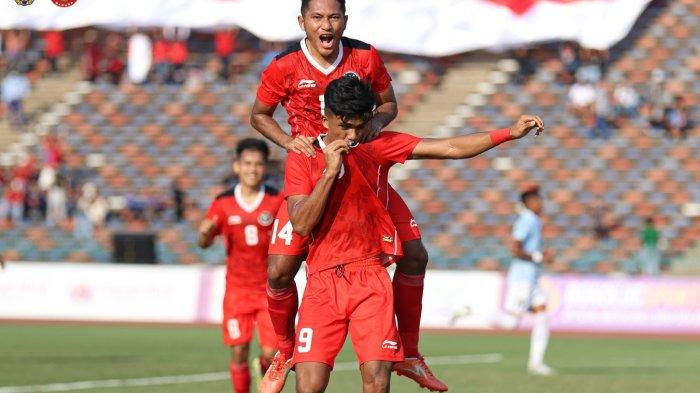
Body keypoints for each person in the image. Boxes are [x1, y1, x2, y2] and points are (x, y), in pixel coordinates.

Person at [283, 75, 544, 392]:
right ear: (326, 118)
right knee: (308, 387)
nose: (353, 136)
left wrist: (509, 134)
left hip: (370, 279)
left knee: (377, 384)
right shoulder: (302, 156)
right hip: (322, 283)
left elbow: (448, 147)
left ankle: (411, 354)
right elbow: (300, 224)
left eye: (359, 125)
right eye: (345, 127)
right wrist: (329, 173)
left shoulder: (376, 145)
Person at [251, 1, 441, 390]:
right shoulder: (283, 66)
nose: (326, 25)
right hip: (312, 172)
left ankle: (410, 353)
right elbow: (259, 115)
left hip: (361, 167)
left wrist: (374, 122)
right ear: (302, 22)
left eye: (333, 17)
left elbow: (390, 104)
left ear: (345, 21)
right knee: (279, 271)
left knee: (416, 255)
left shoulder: (365, 57)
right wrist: (289, 142)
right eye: (318, 17)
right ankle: (284, 351)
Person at [198, 138, 282, 393]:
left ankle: (264, 368)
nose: (252, 169)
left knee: (271, 355)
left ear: (265, 167)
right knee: (239, 349)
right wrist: (204, 233)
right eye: (247, 163)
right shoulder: (222, 203)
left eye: (258, 164)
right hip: (237, 291)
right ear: (237, 167)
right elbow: (203, 242)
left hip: (269, 291)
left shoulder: (276, 201)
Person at [495, 187, 556, 376]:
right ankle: (468, 314)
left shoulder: (534, 220)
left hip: (532, 278)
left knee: (542, 315)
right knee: (511, 323)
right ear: (529, 203)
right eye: (537, 201)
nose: (541, 204)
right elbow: (515, 247)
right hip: (522, 279)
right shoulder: (527, 220)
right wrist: (539, 256)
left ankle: (536, 363)